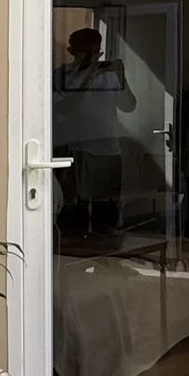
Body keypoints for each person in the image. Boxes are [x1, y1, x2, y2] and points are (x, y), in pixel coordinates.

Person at [53, 26, 135, 235]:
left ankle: (107, 246)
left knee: (106, 206)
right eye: (87, 53)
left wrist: (122, 78)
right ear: (72, 51)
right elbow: (64, 108)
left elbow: (129, 106)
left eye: (96, 52)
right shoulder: (61, 75)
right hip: (73, 147)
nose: (93, 58)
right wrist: (87, 78)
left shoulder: (108, 75)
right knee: (73, 205)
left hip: (106, 146)